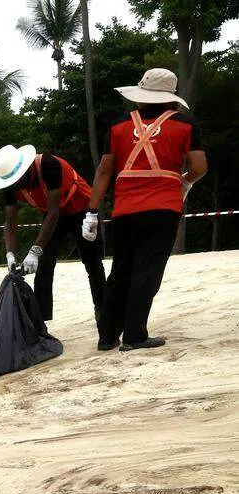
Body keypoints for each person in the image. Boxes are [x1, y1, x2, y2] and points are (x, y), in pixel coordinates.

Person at [86, 68, 208, 352]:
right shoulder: (186, 125)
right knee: (147, 271)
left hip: (125, 209)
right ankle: (135, 335)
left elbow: (104, 171)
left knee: (121, 270)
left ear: (141, 96)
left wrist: (92, 211)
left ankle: (107, 336)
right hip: (163, 208)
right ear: (170, 98)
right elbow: (199, 167)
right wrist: (185, 181)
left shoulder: (118, 126)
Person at [0, 144, 106, 323]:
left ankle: (103, 310)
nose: (15, 186)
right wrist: (10, 254)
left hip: (81, 208)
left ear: (26, 169)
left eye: (17, 180)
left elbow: (53, 213)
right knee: (43, 265)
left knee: (92, 261)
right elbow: (10, 220)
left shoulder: (49, 166)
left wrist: (34, 251)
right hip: (53, 212)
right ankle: (40, 321)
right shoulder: (9, 184)